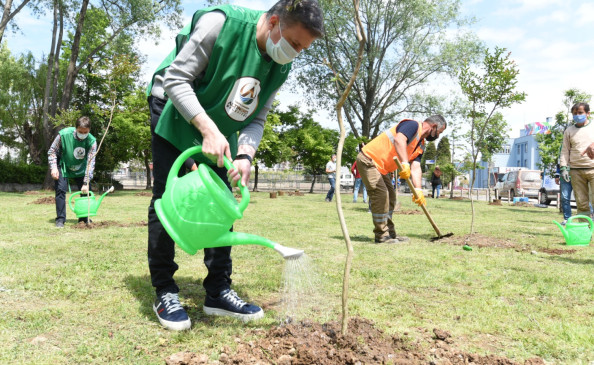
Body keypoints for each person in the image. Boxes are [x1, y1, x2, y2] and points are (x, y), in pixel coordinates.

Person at [146, 0, 324, 331]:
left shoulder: (279, 66)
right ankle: (165, 290)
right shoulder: (220, 24)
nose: (296, 53)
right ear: (273, 22)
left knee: (223, 203)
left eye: (304, 49)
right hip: (172, 103)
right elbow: (176, 79)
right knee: (166, 196)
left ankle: (218, 291)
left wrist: (244, 155)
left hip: (217, 127)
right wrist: (208, 130)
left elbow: (257, 117)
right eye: (295, 43)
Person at [355, 115, 447, 243]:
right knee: (381, 195)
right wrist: (405, 163)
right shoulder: (413, 125)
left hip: (381, 167)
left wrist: (418, 189)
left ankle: (390, 234)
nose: (438, 136)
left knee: (391, 197)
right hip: (369, 159)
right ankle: (381, 235)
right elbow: (399, 140)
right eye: (439, 132)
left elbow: (416, 167)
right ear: (434, 126)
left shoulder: (420, 143)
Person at [48, 116, 97, 228]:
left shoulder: (92, 141)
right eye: (80, 131)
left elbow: (90, 163)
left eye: (86, 132)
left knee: (86, 191)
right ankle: (60, 219)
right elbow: (52, 151)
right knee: (60, 189)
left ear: (89, 130)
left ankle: (83, 218)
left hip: (81, 167)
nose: (83, 134)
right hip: (63, 165)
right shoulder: (63, 135)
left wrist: (86, 183)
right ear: (76, 128)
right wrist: (54, 167)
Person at [560, 102, 594, 218]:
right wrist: (563, 168)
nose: (577, 115)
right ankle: (585, 232)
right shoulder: (569, 131)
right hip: (576, 171)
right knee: (582, 203)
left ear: (588, 113)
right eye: (575, 113)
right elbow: (565, 151)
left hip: (592, 169)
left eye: (580, 113)